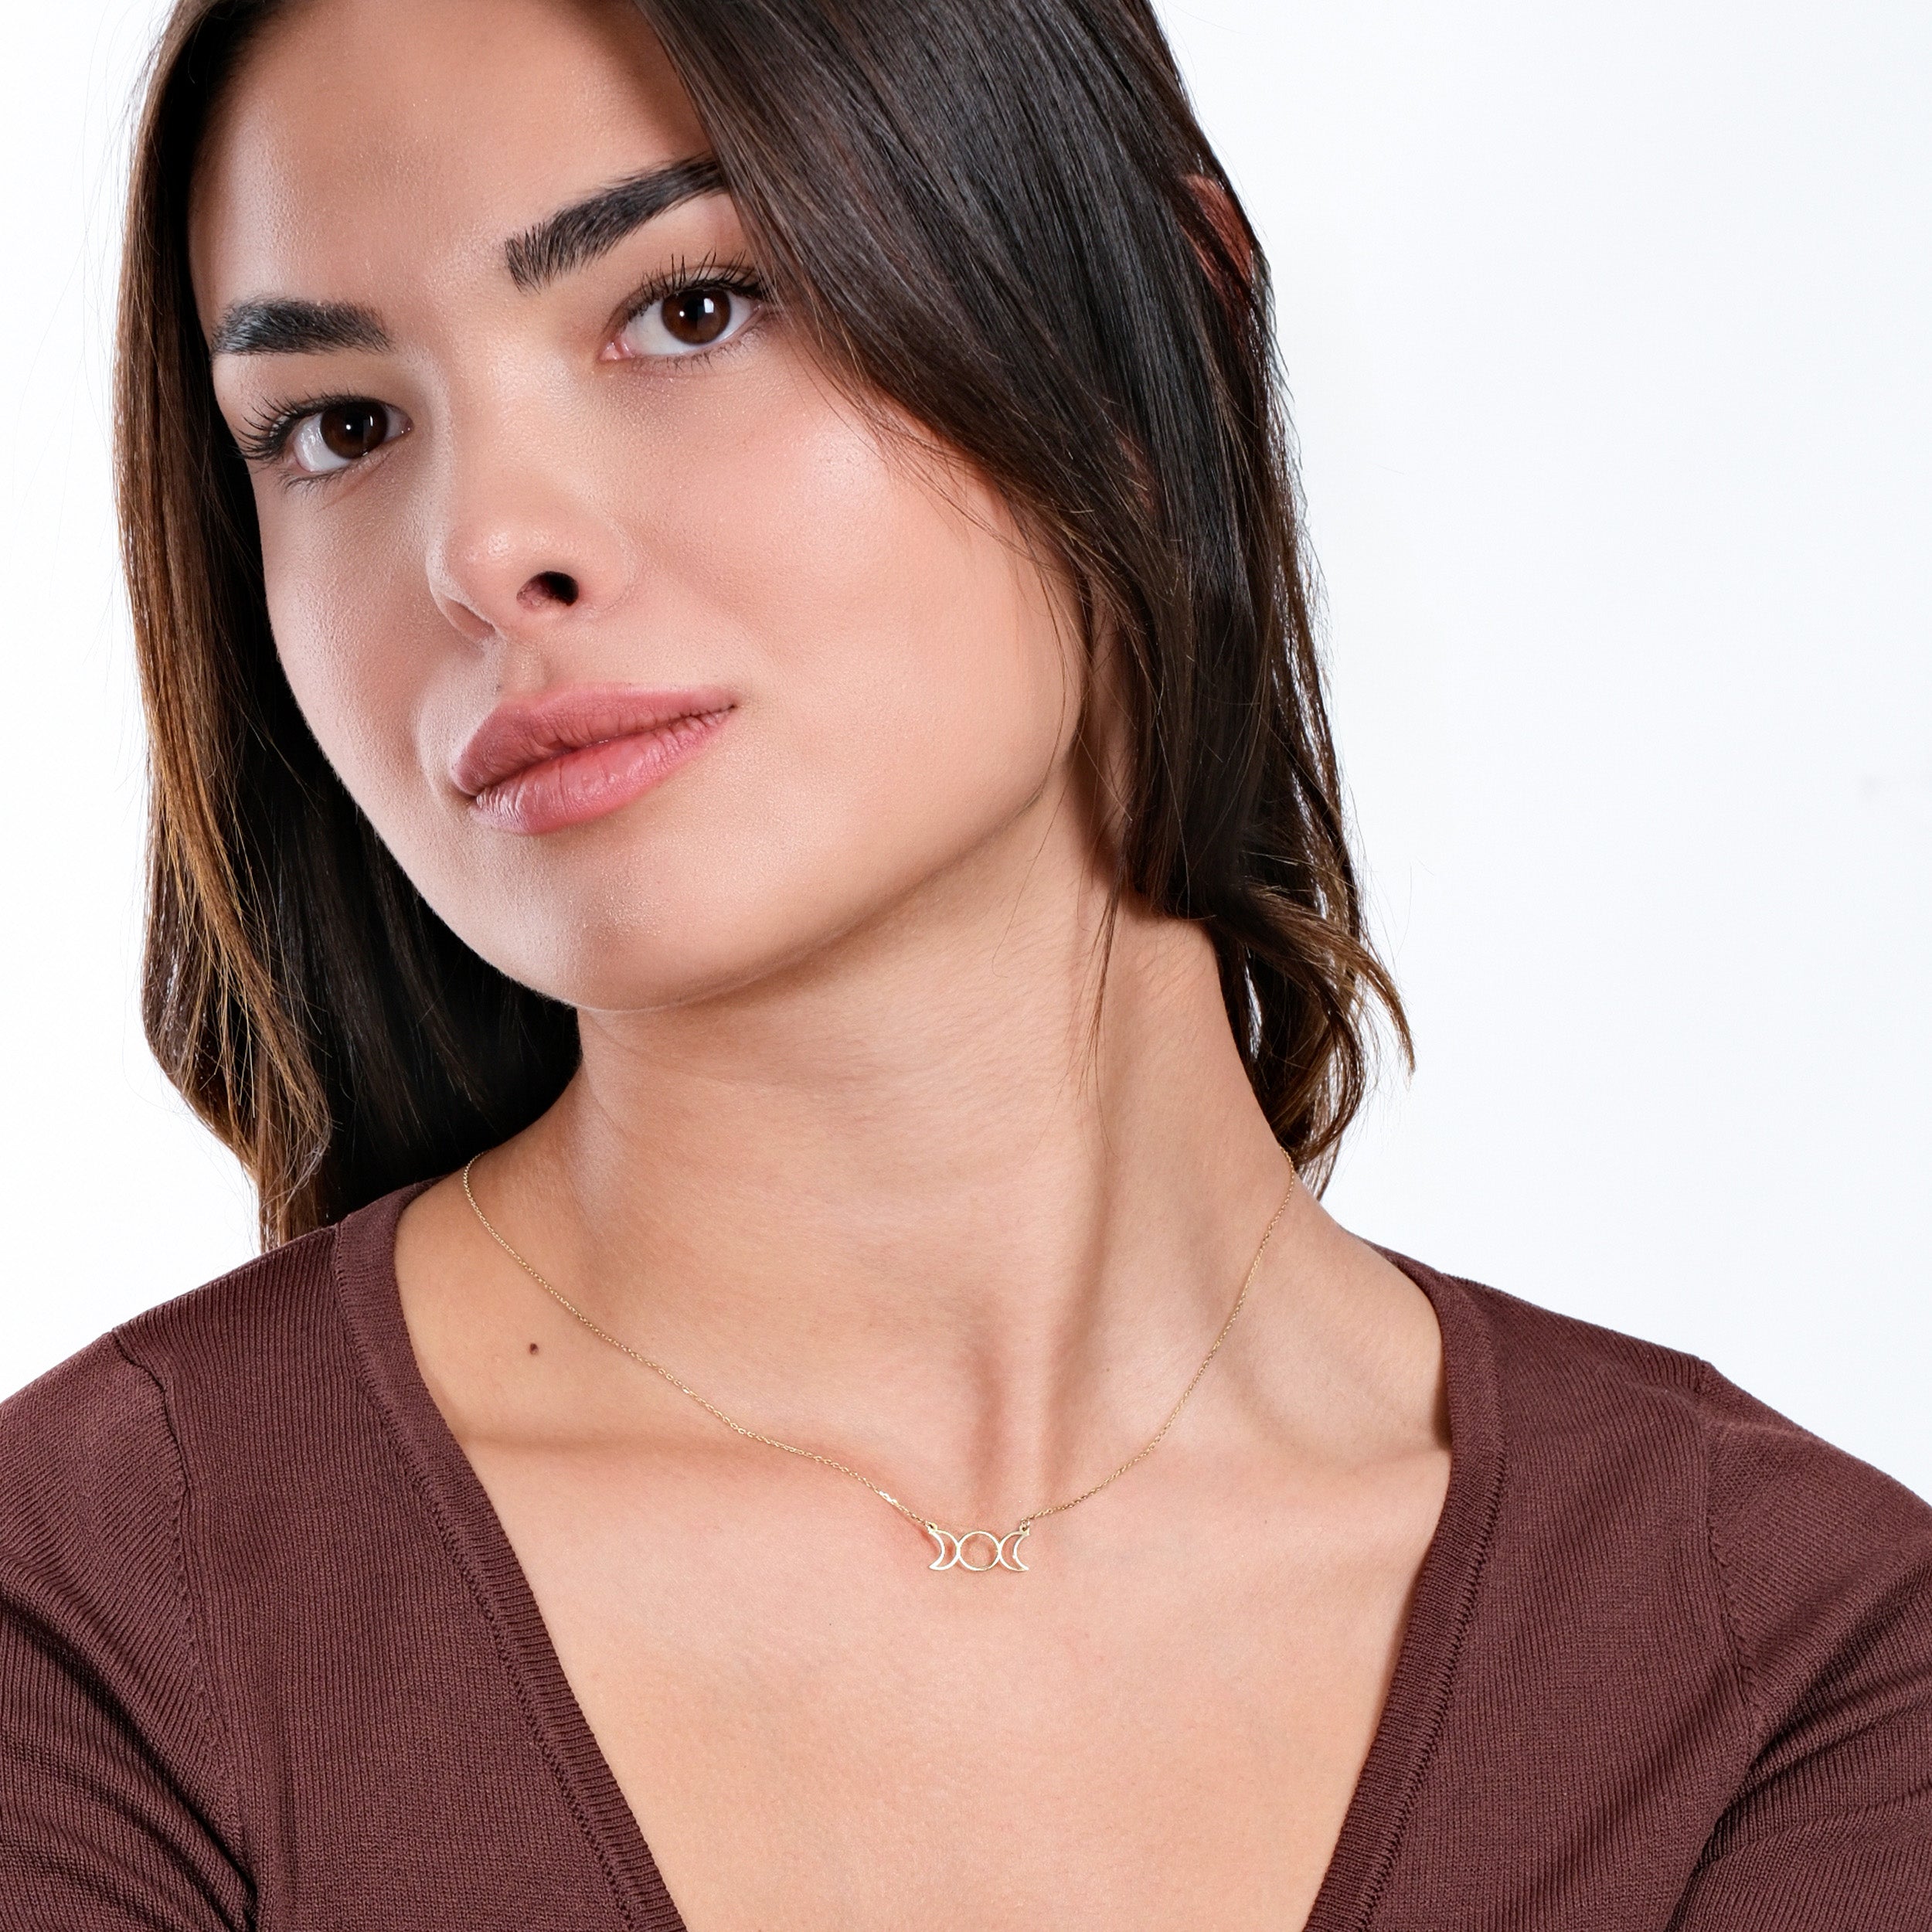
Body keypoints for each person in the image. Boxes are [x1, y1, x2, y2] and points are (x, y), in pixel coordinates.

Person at [3, 0, 1928, 1924]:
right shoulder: (92, 1624)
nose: (484, 544)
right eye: (337, 425)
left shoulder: (1786, 1666)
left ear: (1153, 338)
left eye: (689, 308)